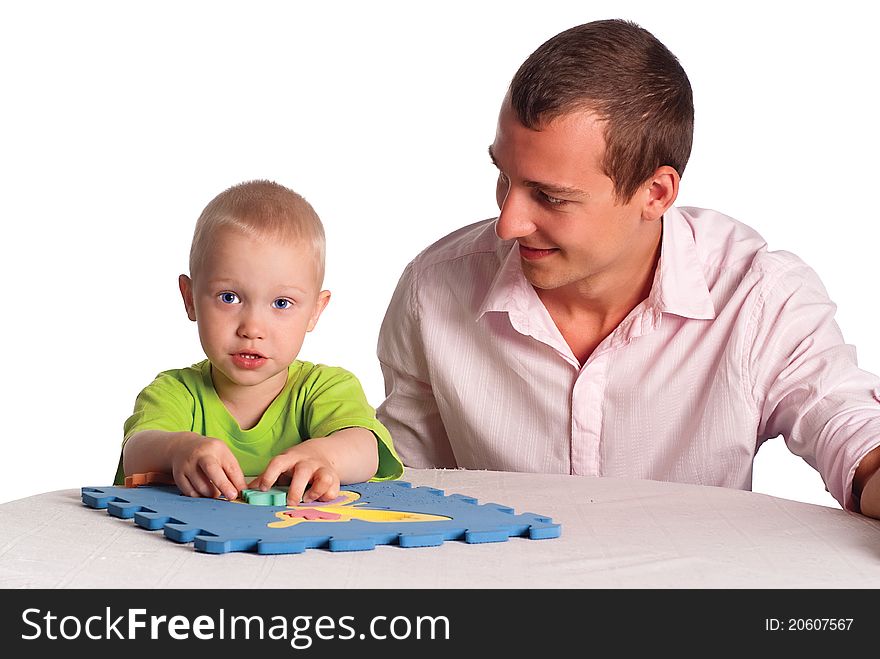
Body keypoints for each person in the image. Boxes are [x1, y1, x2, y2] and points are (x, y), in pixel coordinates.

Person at [376, 18, 880, 518]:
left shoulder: (757, 296)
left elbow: (852, 432)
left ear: (655, 193)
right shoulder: (433, 288)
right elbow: (400, 481)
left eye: (550, 197)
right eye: (504, 178)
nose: (508, 223)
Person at [117, 180, 403, 505]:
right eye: (229, 297)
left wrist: (324, 456)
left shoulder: (326, 387)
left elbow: (366, 448)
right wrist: (178, 449)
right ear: (190, 299)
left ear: (315, 312)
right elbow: (136, 453)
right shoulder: (174, 392)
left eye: (281, 303)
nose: (252, 329)